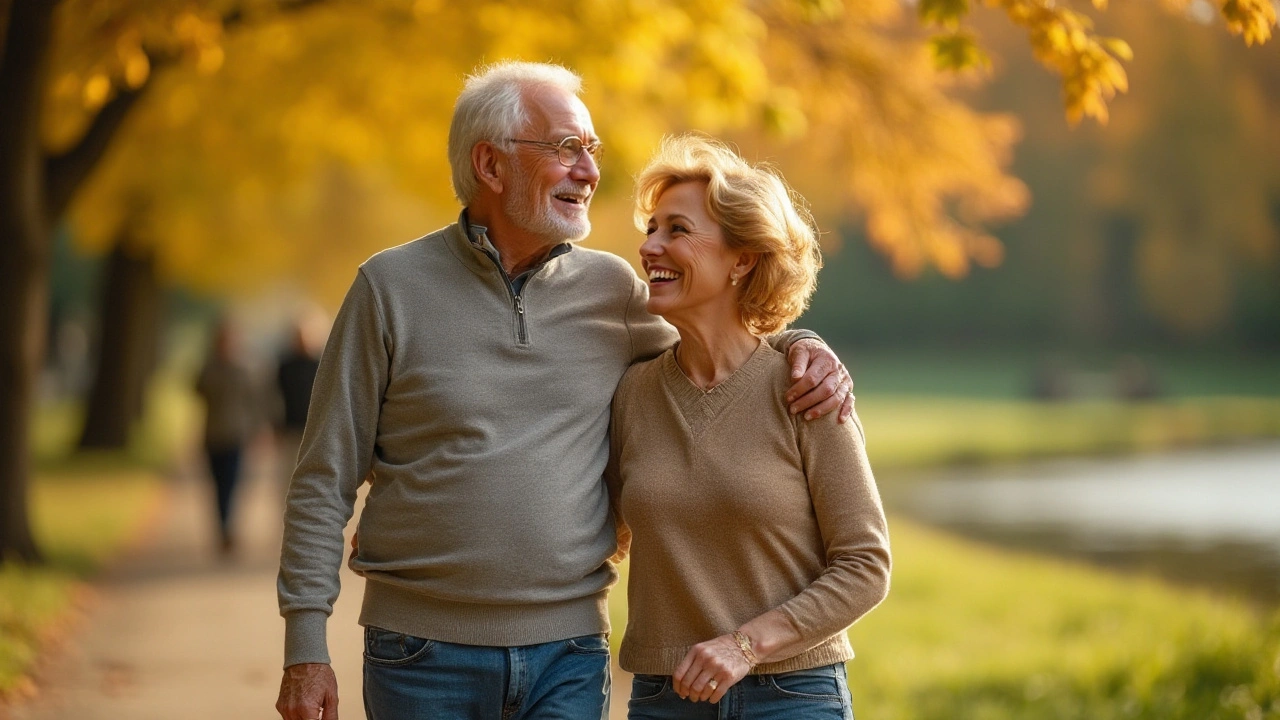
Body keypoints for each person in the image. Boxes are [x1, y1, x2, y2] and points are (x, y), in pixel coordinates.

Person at [275, 62, 853, 720]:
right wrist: (304, 649)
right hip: (419, 652)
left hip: (569, 653)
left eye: (592, 150)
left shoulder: (616, 295)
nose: (589, 171)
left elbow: (723, 340)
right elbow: (324, 477)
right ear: (491, 166)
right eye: (566, 148)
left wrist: (802, 346)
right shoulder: (388, 289)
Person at [607, 135, 891, 718]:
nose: (649, 246)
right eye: (652, 227)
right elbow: (598, 534)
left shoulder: (804, 385)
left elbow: (866, 565)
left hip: (792, 697)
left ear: (742, 258)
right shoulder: (632, 393)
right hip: (665, 700)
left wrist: (747, 645)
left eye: (677, 230)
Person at [194, 317, 259, 555]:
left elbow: (254, 401)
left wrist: (256, 429)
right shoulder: (209, 368)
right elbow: (197, 390)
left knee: (233, 483)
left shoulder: (243, 369)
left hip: (236, 435)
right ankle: (222, 527)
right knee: (217, 485)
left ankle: (229, 527)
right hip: (213, 436)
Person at [273, 316, 323, 493]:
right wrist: (275, 427)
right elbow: (275, 397)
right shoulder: (285, 366)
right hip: (290, 429)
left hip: (313, 431)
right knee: (288, 477)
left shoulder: (320, 365)